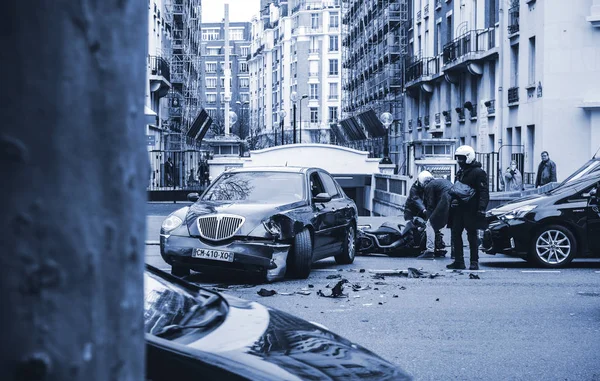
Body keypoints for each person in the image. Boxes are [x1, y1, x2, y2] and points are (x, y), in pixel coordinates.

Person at [447, 145, 489, 271]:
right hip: (459, 209)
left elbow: (484, 191)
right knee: (455, 234)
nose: (459, 161)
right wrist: (453, 200)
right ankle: (459, 261)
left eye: (461, 158)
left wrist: (481, 208)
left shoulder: (479, 172)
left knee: (472, 235)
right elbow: (456, 188)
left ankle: (474, 261)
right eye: (458, 158)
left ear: (468, 157)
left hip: (472, 208)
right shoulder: (461, 172)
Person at [417, 175, 453, 259]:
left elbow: (430, 204)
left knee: (430, 225)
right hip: (455, 202)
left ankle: (429, 251)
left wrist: (428, 219)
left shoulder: (429, 185)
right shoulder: (442, 182)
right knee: (454, 227)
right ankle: (455, 253)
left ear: (424, 183)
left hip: (445, 201)